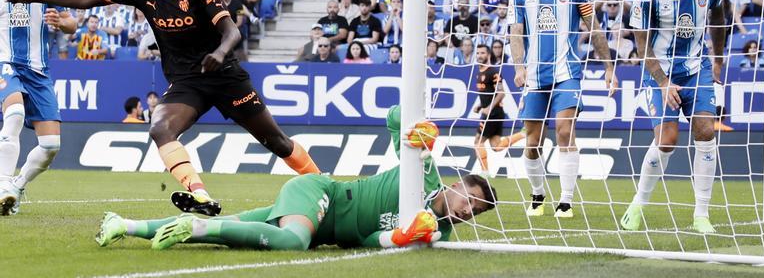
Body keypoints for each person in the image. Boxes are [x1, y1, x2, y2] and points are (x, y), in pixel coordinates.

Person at [7, 0, 321, 217]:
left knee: (276, 142)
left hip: (225, 76)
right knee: (160, 129)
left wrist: (220, 53)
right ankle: (199, 193)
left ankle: (324, 190)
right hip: (187, 82)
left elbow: (231, 30)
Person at [96, 107, 497, 251]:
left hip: (321, 222)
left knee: (232, 229)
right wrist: (417, 132)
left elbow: (370, 240)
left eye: (476, 211)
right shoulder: (423, 172)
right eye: (471, 198)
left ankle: (124, 225)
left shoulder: (437, 234)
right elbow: (394, 116)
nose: (468, 210)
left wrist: (403, 238)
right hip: (322, 194)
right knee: (292, 242)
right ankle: (197, 224)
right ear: (456, 184)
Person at [620, 0, 727, 234]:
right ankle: (639, 203)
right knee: (667, 140)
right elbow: (643, 47)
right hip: (660, 71)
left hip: (697, 67)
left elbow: (718, 18)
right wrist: (663, 82)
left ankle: (702, 214)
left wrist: (717, 60)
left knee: (706, 131)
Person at [510, 0, 617, 219]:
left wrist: (609, 67)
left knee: (565, 132)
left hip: (566, 72)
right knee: (532, 143)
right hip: (533, 76)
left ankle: (566, 202)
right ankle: (537, 195)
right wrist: (518, 67)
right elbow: (516, 32)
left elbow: (593, 27)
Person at [0, 0, 77, 215]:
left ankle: (16, 188)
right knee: (15, 113)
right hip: (4, 62)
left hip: (38, 71)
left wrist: (61, 22)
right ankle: (3, 183)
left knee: (50, 146)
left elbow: (72, 23)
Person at [471, 45, 525, 177]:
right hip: (491, 112)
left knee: (478, 142)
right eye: (477, 53)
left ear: (488, 55)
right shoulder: (480, 72)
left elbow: (501, 93)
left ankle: (485, 172)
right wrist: (480, 105)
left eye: (482, 53)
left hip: (493, 114)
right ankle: (523, 134)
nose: (479, 55)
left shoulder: (493, 72)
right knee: (496, 146)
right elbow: (488, 94)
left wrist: (489, 107)